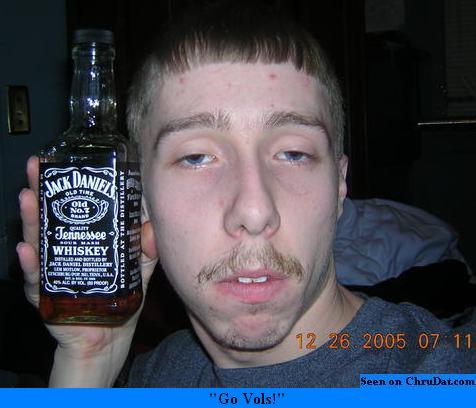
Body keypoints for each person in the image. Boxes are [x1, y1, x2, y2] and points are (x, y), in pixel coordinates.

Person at [17, 3, 475, 387]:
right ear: (139, 200)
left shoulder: (438, 376)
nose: (254, 211)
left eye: (293, 153)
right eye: (196, 157)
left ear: (339, 186)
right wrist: (89, 364)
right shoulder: (154, 377)